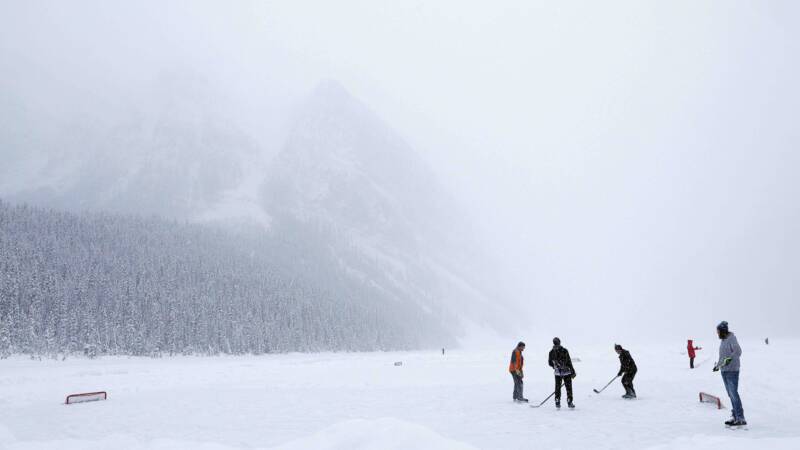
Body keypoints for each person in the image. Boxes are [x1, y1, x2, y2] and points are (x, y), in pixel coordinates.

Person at [713, 321, 746, 426]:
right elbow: (722, 357)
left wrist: (729, 359)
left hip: (732, 370)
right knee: (730, 394)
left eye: (718, 332)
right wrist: (718, 365)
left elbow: (738, 352)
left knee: (733, 394)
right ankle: (735, 416)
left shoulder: (732, 339)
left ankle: (740, 418)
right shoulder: (723, 341)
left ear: (723, 331)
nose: (717, 334)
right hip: (724, 371)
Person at [548, 337, 576, 408]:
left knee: (557, 387)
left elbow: (550, 363)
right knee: (568, 388)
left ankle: (557, 401)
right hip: (566, 372)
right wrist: (572, 372)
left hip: (558, 373)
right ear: (559, 342)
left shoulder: (551, 352)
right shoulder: (564, 350)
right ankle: (569, 401)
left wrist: (555, 366)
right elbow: (569, 362)